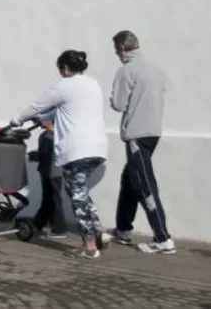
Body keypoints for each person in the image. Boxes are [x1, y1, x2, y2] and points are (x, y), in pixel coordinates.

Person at [12, 50, 109, 259]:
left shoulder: (65, 85)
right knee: (81, 190)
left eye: (60, 69)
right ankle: (98, 231)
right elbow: (67, 111)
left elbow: (38, 105)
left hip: (77, 150)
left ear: (65, 68)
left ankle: (90, 246)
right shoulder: (92, 84)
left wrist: (16, 119)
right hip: (98, 148)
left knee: (77, 197)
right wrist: (43, 119)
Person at [102, 30, 175, 254]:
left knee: (144, 184)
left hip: (136, 134)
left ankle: (163, 238)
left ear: (122, 48)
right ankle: (123, 229)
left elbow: (119, 104)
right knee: (130, 179)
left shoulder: (127, 71)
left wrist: (112, 96)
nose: (116, 54)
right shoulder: (155, 69)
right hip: (153, 133)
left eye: (116, 49)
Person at [29, 121, 68, 239]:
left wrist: (34, 155)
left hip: (49, 171)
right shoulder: (61, 134)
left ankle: (58, 229)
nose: (39, 122)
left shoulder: (46, 136)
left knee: (52, 199)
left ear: (49, 121)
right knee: (49, 198)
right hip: (58, 171)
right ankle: (38, 223)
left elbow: (44, 154)